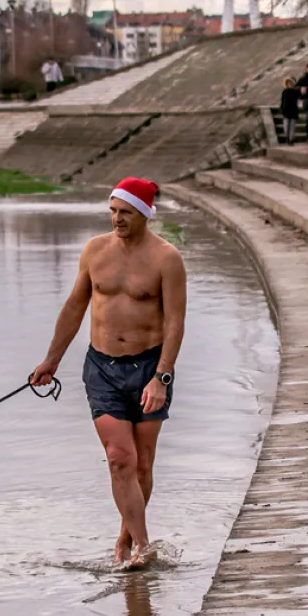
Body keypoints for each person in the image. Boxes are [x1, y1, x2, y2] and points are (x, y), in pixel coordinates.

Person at [31, 177, 187, 567]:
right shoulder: (95, 250)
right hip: (102, 367)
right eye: (113, 211)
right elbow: (74, 308)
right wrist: (51, 359)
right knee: (120, 458)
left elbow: (175, 323)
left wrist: (162, 377)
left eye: (126, 213)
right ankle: (142, 545)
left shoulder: (167, 259)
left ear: (145, 214)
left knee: (143, 464)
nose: (117, 219)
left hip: (149, 366)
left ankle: (124, 538)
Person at [280, 76, 299, 145]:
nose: (290, 84)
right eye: (288, 83)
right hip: (286, 111)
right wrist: (282, 109)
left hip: (293, 111)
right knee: (286, 125)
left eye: (291, 83)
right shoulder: (284, 91)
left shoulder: (295, 92)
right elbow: (282, 101)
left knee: (292, 127)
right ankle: (287, 138)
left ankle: (291, 140)